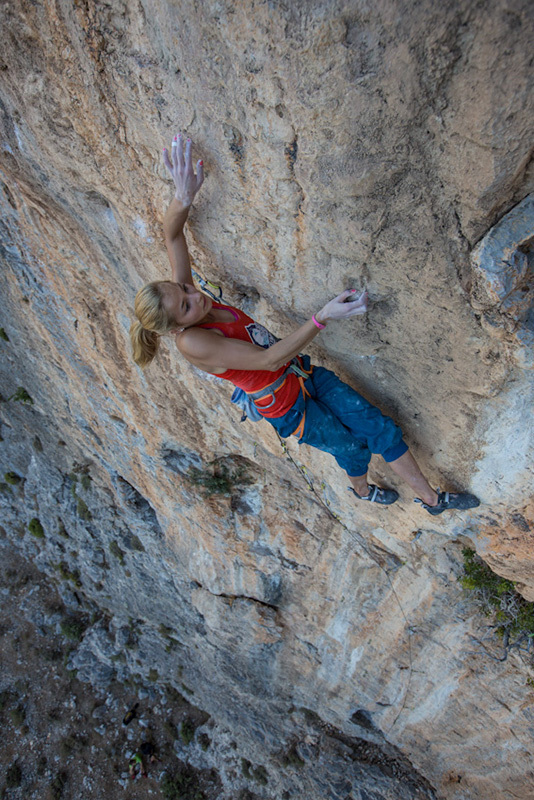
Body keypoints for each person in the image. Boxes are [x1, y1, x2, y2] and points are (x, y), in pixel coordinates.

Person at [129, 134, 480, 515]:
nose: (196, 296)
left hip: (301, 373)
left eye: (184, 287)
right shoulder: (192, 342)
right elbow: (266, 360)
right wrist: (321, 317)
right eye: (185, 304)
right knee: (352, 448)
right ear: (174, 327)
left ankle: (432, 500)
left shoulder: (189, 301)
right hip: (286, 406)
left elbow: (172, 234)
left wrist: (183, 195)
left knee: (378, 427)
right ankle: (362, 492)